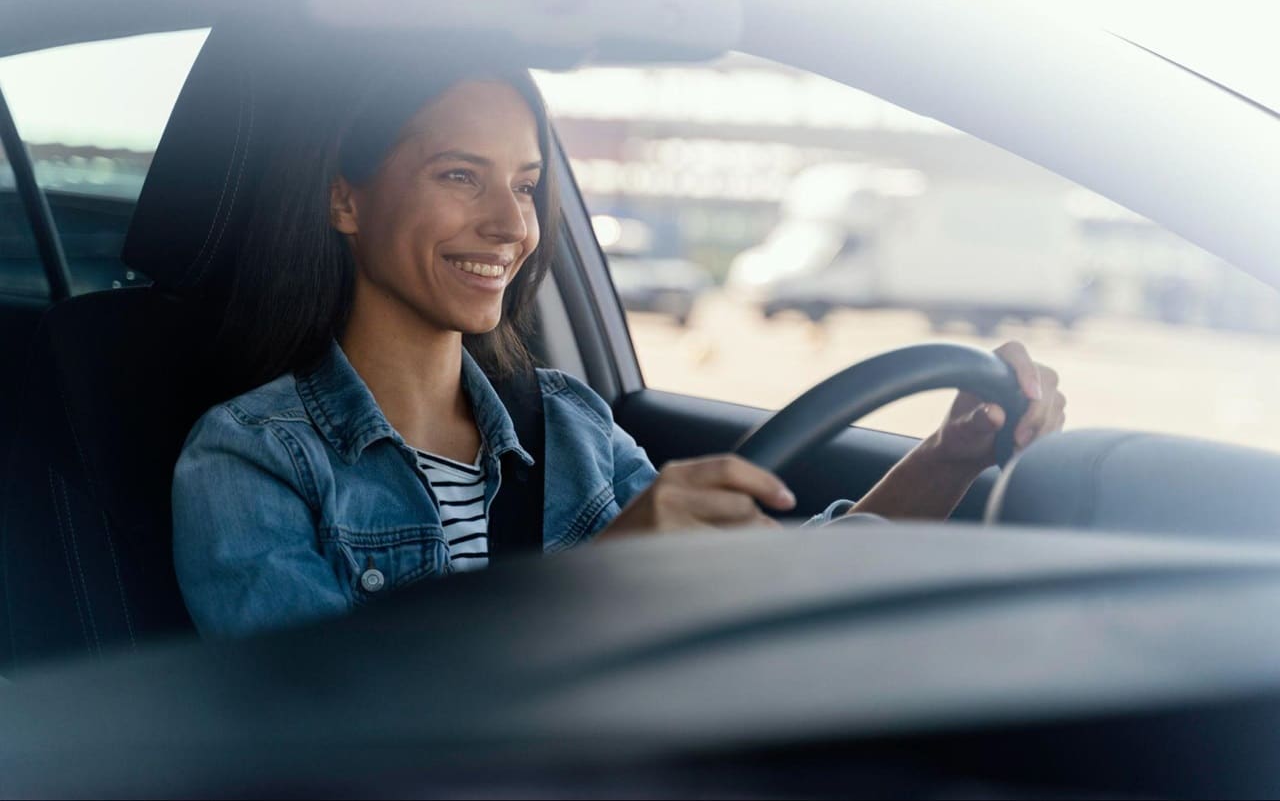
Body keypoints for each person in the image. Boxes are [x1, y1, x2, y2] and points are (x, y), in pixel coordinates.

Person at [172, 58, 1066, 639]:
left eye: (526, 186)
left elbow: (783, 589)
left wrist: (952, 458)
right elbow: (315, 734)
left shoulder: (569, 420)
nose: (509, 224)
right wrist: (599, 576)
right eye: (459, 176)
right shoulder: (251, 459)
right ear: (346, 202)